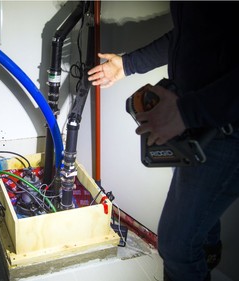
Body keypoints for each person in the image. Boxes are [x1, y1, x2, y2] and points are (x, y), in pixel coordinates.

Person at [88, 2, 239, 281]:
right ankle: (205, 257)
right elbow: (192, 32)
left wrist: (185, 111)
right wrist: (127, 64)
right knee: (198, 228)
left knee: (177, 246)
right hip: (194, 124)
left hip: (224, 127)